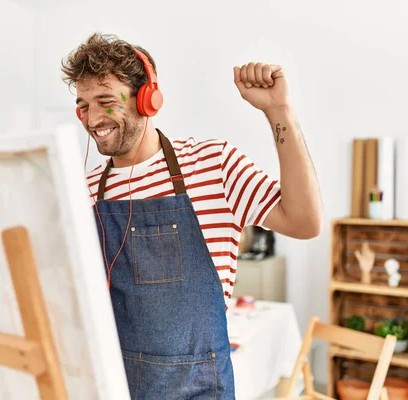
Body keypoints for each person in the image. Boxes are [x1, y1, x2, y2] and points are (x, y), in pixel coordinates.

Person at [60, 33, 323, 400]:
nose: (92, 118)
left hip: (199, 390)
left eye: (106, 101)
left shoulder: (212, 164)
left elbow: (305, 221)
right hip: (115, 387)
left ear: (147, 99)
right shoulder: (82, 191)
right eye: (83, 105)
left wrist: (278, 112)